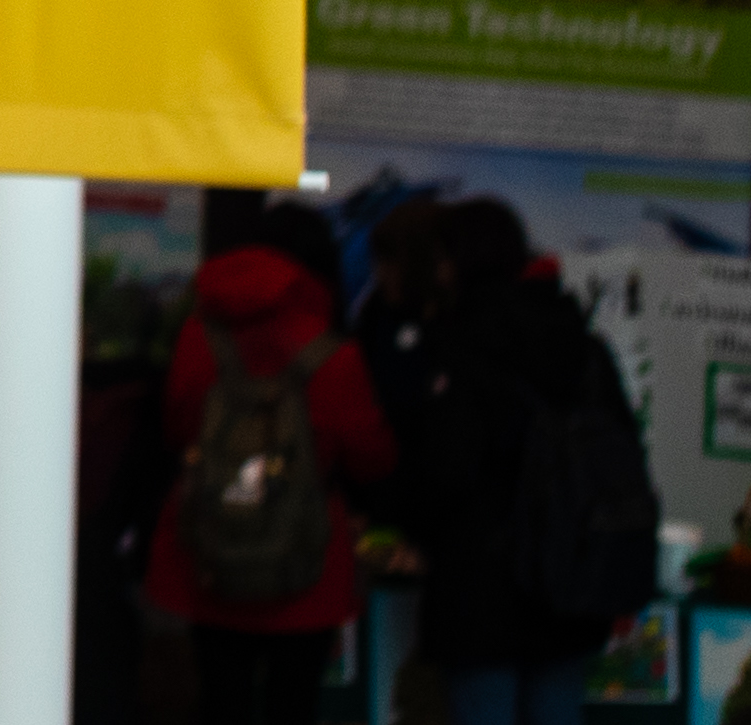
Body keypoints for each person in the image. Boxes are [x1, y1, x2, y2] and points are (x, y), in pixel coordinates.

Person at [402, 198, 652, 725]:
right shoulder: (583, 347)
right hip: (574, 580)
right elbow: (626, 456)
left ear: (458, 262)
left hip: (481, 589)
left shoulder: (461, 349)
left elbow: (445, 473)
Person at [148, 201, 399, 725]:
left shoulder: (199, 335)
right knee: (294, 703)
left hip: (209, 546)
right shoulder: (333, 353)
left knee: (221, 698)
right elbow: (370, 457)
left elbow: (175, 428)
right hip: (305, 557)